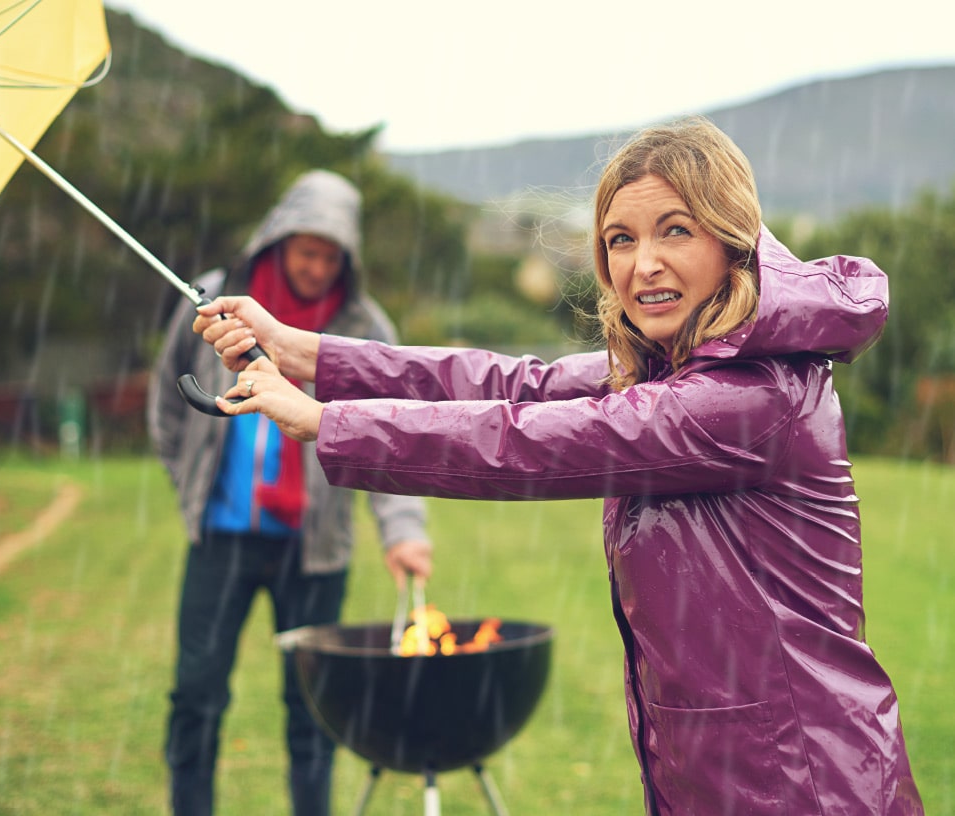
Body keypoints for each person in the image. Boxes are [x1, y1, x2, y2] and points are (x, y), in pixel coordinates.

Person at [192, 119, 923, 814]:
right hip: (720, 768)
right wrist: (307, 352)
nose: (644, 265)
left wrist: (325, 421)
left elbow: (525, 441)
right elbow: (514, 385)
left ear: (735, 241)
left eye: (675, 230)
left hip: (804, 782)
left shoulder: (752, 397)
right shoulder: (669, 371)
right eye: (621, 240)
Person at [147, 169, 432, 816]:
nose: (317, 267)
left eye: (332, 256)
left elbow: (397, 435)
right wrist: (186, 482)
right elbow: (166, 402)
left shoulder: (363, 325)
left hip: (315, 550)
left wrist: (404, 530)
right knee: (197, 694)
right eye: (307, 251)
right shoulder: (214, 302)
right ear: (277, 240)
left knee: (312, 709)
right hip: (220, 538)